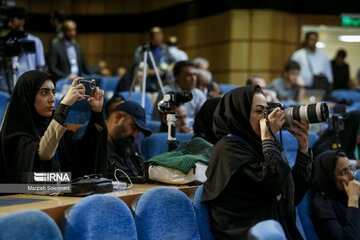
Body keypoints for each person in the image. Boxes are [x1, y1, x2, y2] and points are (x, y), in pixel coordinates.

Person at [201, 85, 313, 239]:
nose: (266, 117)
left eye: (266, 111)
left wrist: (303, 149)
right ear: (239, 114)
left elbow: (292, 196)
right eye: (259, 111)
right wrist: (268, 139)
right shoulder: (227, 148)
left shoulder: (260, 145)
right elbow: (271, 182)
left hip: (272, 227)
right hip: (244, 232)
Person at [0, 71, 107, 183]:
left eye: (53, 92)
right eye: (44, 93)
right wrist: (63, 106)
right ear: (28, 96)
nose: (52, 99)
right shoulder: (14, 135)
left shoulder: (49, 125)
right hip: (26, 198)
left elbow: (83, 152)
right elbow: (43, 153)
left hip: (57, 197)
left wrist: (97, 113)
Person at [311, 150, 360, 240]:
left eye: (351, 169)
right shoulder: (322, 205)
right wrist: (353, 200)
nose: (352, 176)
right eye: (344, 172)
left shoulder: (350, 193)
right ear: (328, 177)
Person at [0, 7, 45, 93]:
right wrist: (10, 57)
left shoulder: (35, 41)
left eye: (12, 20)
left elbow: (39, 68)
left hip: (27, 88)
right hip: (6, 88)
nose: (9, 24)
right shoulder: (6, 42)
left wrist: (38, 88)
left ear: (22, 21)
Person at [106, 101, 152, 179]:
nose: (135, 135)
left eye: (138, 131)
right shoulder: (93, 145)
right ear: (118, 118)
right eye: (134, 128)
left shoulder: (131, 146)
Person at [133, 26, 175, 91]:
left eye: (159, 35)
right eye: (154, 35)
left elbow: (173, 62)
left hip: (166, 79)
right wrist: (151, 72)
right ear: (150, 37)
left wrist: (170, 68)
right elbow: (137, 67)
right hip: (150, 81)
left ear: (162, 36)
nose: (157, 37)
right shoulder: (143, 49)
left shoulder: (165, 48)